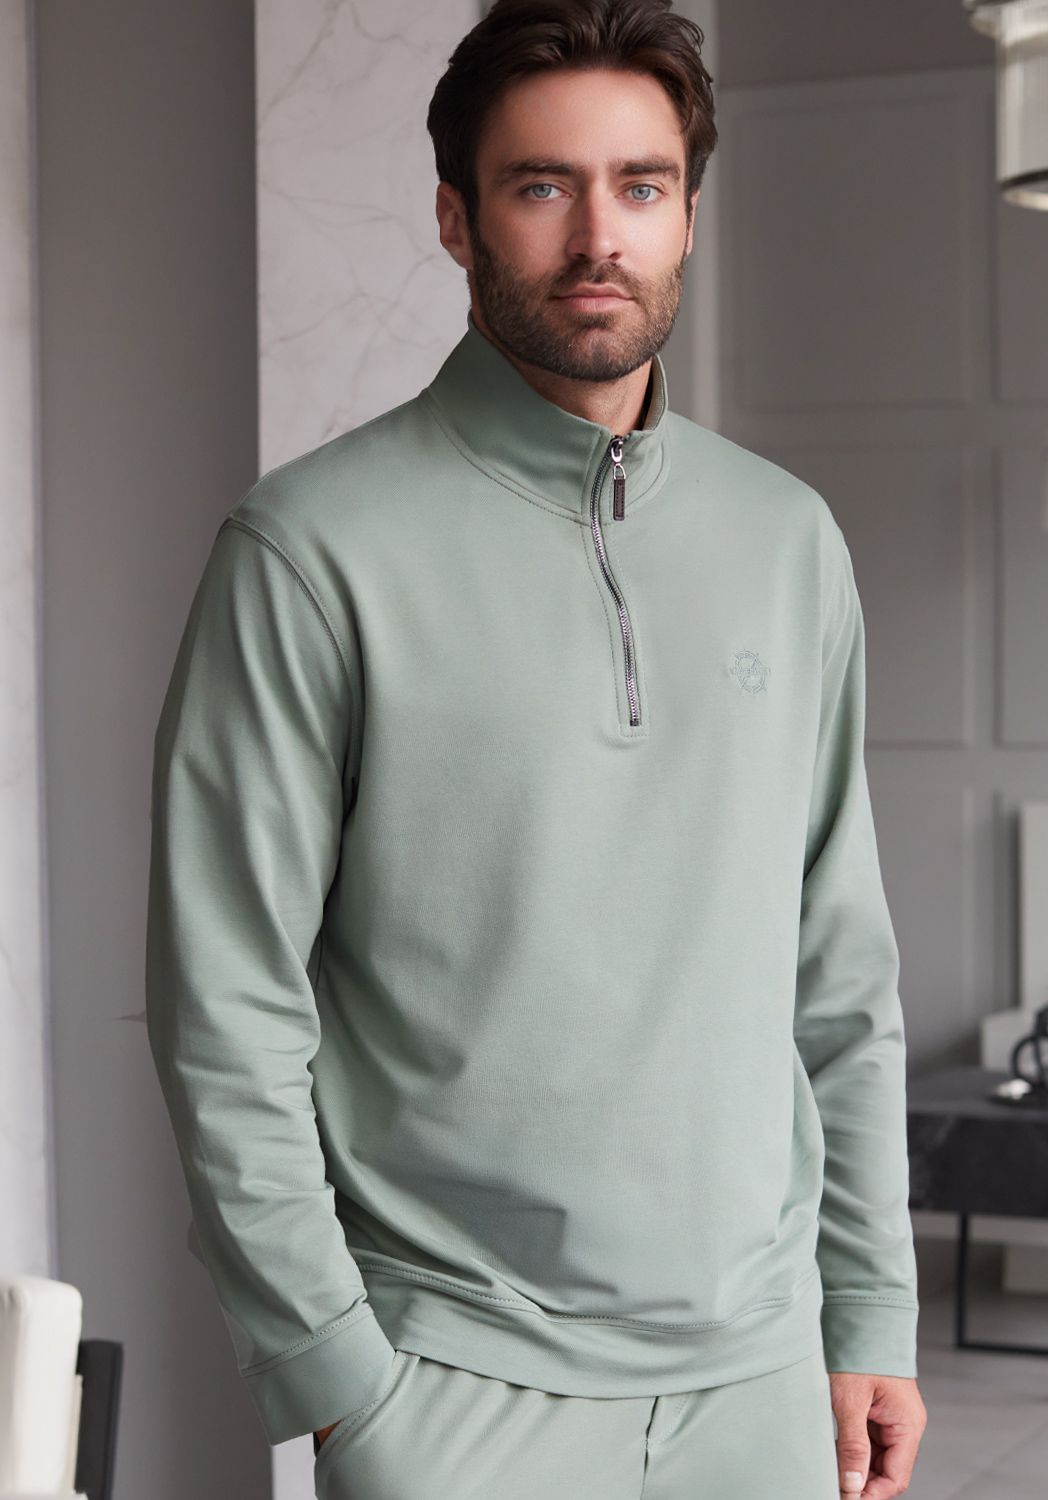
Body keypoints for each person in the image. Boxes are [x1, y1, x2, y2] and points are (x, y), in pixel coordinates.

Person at [144, 1, 929, 1495]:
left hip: (762, 1379)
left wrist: (869, 1312)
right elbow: (224, 1000)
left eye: (642, 185)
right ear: (456, 217)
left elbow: (840, 969)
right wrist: (338, 1375)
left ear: (687, 214)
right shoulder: (309, 549)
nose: (598, 237)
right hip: (455, 1383)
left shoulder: (788, 540)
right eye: (541, 185)